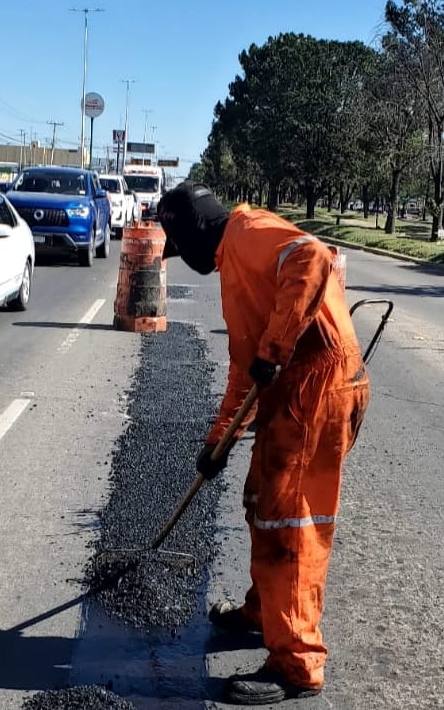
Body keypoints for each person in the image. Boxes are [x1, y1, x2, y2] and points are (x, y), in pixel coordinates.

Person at [156, 182, 370, 706]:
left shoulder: (247, 231)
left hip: (316, 390)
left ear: (195, 233)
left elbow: (312, 256)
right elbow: (244, 370)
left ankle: (296, 663)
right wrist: (217, 443)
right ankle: (264, 612)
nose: (185, 262)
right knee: (262, 504)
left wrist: (275, 350)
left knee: (290, 527)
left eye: (181, 250)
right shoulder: (235, 266)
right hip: (291, 394)